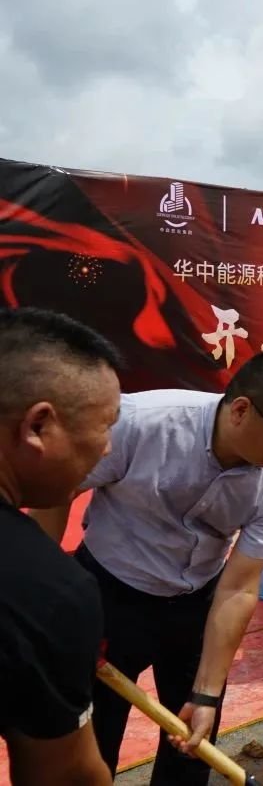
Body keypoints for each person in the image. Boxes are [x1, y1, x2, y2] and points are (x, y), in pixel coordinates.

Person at [29, 348, 263, 785]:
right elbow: (57, 489)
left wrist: (207, 695)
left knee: (191, 746)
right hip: (107, 595)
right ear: (241, 410)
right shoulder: (142, 424)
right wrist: (47, 597)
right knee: (90, 746)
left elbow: (239, 588)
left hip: (196, 602)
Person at [0, 308, 121, 786]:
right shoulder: (47, 592)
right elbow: (66, 776)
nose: (107, 448)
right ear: (38, 426)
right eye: (106, 426)